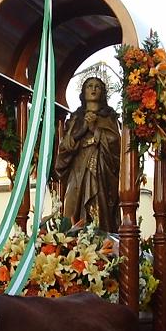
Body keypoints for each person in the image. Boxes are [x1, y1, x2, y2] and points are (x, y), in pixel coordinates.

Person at [53, 76, 121, 232]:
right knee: (72, 204)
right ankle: (71, 243)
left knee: (98, 205)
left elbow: (116, 142)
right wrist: (82, 129)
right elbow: (65, 146)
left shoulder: (109, 117)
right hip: (77, 167)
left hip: (100, 167)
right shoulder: (75, 118)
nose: (93, 89)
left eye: (97, 86)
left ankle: (99, 241)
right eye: (89, 86)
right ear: (83, 92)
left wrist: (95, 129)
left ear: (102, 92)